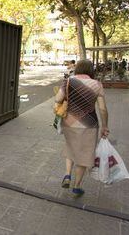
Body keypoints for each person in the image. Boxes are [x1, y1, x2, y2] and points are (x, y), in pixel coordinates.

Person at [54, 59, 109, 197]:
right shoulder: (97, 85)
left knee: (71, 147)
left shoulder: (68, 81)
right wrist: (105, 126)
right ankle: (77, 187)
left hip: (69, 122)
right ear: (91, 70)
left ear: (77, 68)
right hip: (89, 125)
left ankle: (67, 175)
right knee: (84, 155)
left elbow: (57, 99)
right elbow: (102, 109)